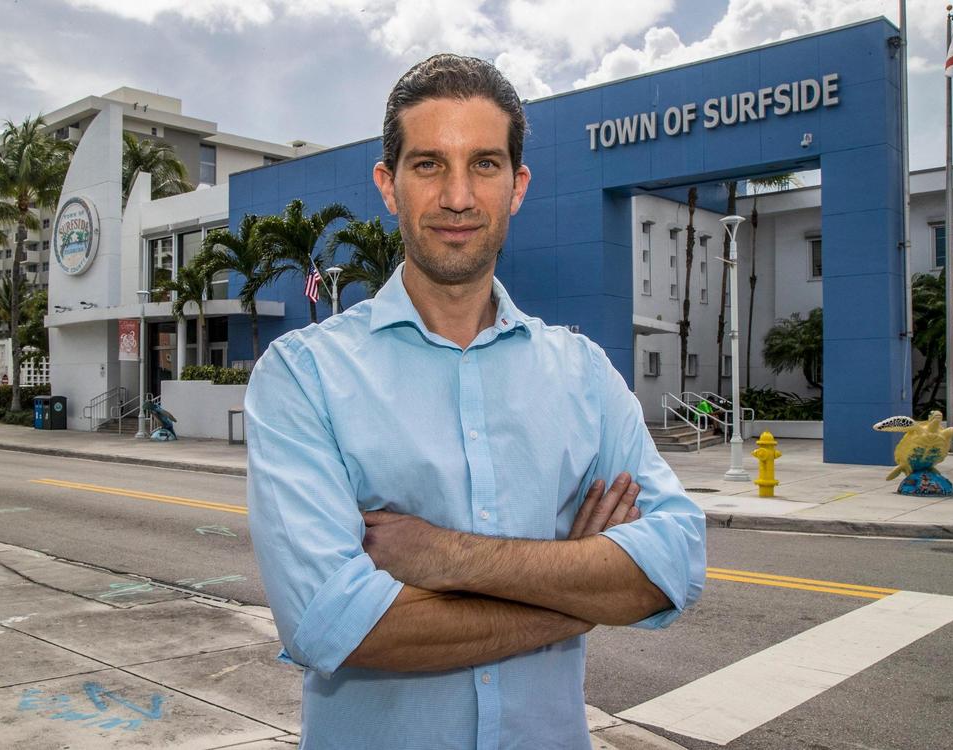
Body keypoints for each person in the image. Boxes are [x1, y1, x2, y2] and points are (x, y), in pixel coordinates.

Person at [245, 53, 706, 750]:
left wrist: (445, 557)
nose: (458, 196)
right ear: (389, 185)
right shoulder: (303, 375)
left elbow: (674, 562)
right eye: (429, 164)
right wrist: (577, 591)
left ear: (518, 185)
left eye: (484, 164)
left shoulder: (582, 373)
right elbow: (334, 624)